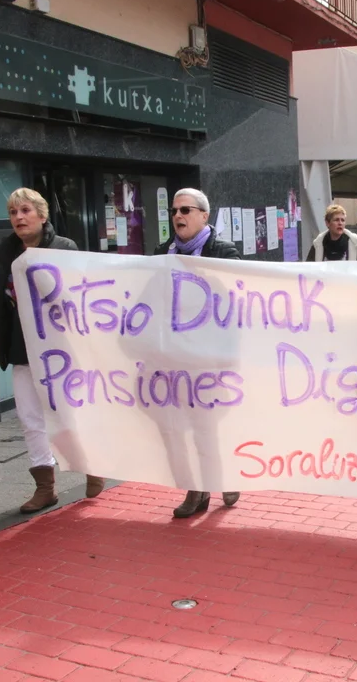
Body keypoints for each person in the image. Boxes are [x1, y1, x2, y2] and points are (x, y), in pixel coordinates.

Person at [0, 188, 104, 514]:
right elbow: (3, 301)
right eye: (13, 212)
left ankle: (92, 464)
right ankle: (45, 487)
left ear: (42, 216)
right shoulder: (6, 251)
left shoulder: (63, 248)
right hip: (22, 345)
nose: (19, 218)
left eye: (25, 211)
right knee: (30, 417)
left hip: (59, 347)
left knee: (69, 412)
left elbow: (75, 296)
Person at [155, 189, 243, 517]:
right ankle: (197, 488)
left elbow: (236, 296)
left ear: (204, 216)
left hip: (212, 356)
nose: (178, 216)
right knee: (181, 426)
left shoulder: (223, 251)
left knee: (207, 424)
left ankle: (220, 477)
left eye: (185, 210)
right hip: (176, 355)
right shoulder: (162, 253)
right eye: (174, 211)